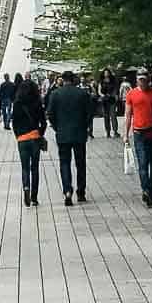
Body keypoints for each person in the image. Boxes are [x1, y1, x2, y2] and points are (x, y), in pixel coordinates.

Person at [47, 69, 92, 206]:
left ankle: (67, 190)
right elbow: (89, 113)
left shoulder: (55, 94)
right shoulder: (82, 94)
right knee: (80, 163)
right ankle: (81, 192)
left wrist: (57, 127)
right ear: (73, 79)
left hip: (63, 134)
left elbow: (50, 114)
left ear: (62, 80)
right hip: (79, 133)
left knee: (64, 163)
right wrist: (84, 126)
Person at [124, 69, 152, 206]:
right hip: (138, 133)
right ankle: (146, 191)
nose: (142, 82)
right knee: (143, 163)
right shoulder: (131, 94)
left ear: (148, 79)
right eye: (140, 79)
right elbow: (128, 114)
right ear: (136, 80)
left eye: (144, 79)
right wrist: (126, 134)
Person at [12, 76, 47, 206]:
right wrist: (40, 133)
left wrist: (18, 135)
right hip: (34, 137)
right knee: (35, 168)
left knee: (25, 167)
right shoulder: (37, 102)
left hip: (22, 139)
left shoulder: (17, 104)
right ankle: (34, 196)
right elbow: (43, 122)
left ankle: (26, 187)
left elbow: (14, 122)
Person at [99, 69, 119, 138]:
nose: (106, 74)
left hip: (112, 100)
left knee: (113, 116)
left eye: (107, 72)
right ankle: (107, 132)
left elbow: (115, 90)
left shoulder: (113, 81)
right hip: (105, 101)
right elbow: (99, 90)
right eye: (105, 73)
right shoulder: (101, 82)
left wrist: (113, 95)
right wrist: (102, 95)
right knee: (106, 116)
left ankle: (115, 131)